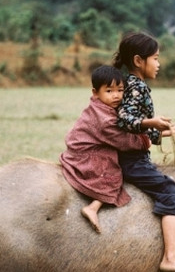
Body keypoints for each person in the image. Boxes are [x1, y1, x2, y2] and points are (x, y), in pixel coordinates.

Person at [113, 32, 175, 272]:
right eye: (156, 58)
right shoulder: (136, 86)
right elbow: (126, 121)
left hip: (132, 154)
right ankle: (170, 257)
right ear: (139, 61)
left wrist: (169, 131)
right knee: (171, 191)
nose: (159, 64)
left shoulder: (130, 84)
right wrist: (152, 121)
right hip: (132, 160)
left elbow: (140, 129)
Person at [60, 65, 150, 233]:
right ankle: (93, 207)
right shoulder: (104, 119)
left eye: (120, 90)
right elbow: (122, 140)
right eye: (109, 91)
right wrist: (144, 141)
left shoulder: (101, 107)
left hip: (82, 146)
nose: (116, 95)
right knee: (112, 173)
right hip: (86, 153)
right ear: (95, 92)